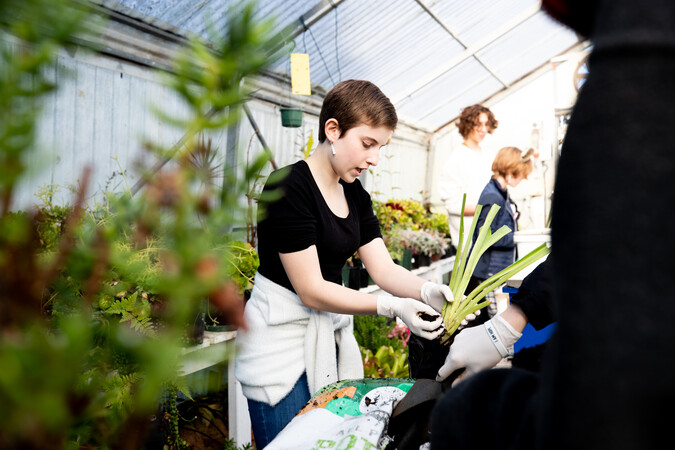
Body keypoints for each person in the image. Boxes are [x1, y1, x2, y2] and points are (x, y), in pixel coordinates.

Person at [431, 0, 675, 448]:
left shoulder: (640, 72)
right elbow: (599, 262)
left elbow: (613, 404)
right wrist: (513, 323)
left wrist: (466, 411)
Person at [233, 80, 455, 448]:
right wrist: (391, 305)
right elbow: (311, 290)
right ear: (332, 129)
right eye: (368, 144)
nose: (373, 159)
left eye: (380, 148)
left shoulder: (354, 192)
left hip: (324, 339)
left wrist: (428, 291)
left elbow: (383, 269)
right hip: (280, 348)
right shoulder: (288, 187)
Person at [470, 146, 535, 312]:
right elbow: (484, 236)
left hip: (499, 269)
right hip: (491, 271)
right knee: (497, 320)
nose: (523, 179)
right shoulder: (492, 196)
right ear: (511, 171)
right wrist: (516, 238)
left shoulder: (501, 193)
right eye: (521, 174)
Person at [438, 104, 498, 251]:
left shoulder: (487, 155)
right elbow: (453, 204)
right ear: (467, 125)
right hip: (468, 242)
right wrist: (485, 208)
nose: (483, 129)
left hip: (487, 236)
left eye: (486, 124)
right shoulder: (456, 159)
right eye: (478, 124)